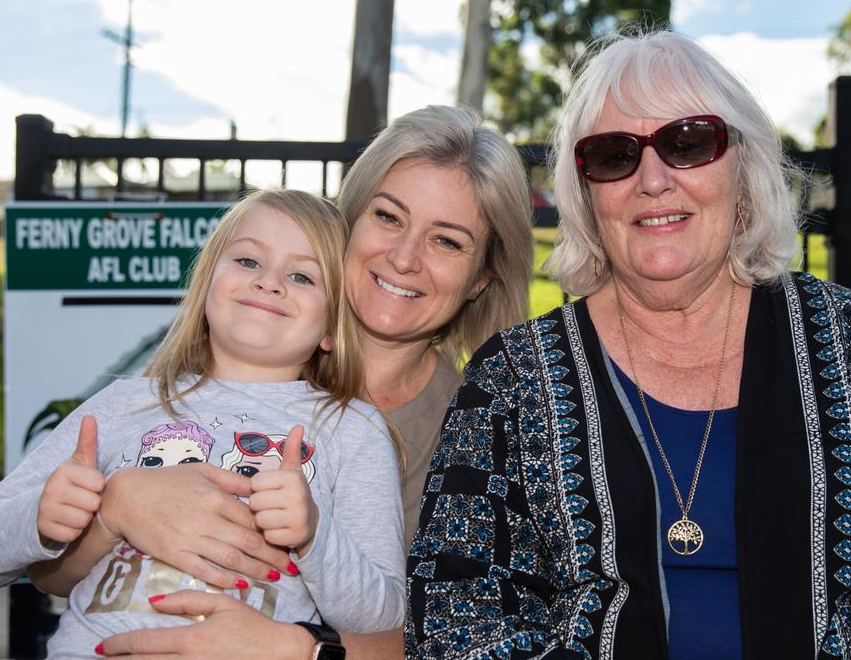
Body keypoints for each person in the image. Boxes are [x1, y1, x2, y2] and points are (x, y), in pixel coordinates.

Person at [404, 31, 851, 658]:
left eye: (688, 143)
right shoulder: (513, 380)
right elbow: (454, 625)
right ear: (585, 194)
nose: (652, 179)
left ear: (744, 169)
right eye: (613, 155)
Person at [31, 105, 535, 659]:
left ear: (481, 278)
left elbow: (464, 641)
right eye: (388, 217)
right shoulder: (231, 359)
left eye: (447, 241)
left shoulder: (477, 434)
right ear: (344, 222)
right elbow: (48, 572)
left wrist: (301, 652)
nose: (404, 257)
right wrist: (117, 504)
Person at [0, 189, 408, 657]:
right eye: (248, 261)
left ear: (332, 328)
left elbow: (381, 618)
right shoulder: (124, 404)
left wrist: (314, 535)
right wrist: (40, 517)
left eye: (302, 275)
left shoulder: (354, 430)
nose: (270, 282)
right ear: (206, 283)